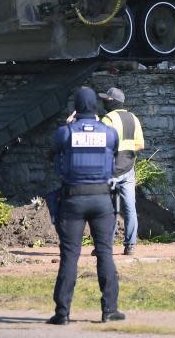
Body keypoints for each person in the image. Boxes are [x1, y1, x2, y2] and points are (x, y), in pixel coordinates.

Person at [47, 87, 125, 324]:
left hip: (73, 199)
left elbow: (52, 154)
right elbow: (114, 157)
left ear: (76, 107)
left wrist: (68, 123)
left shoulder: (66, 132)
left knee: (70, 256)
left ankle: (62, 313)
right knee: (105, 253)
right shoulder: (110, 133)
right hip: (102, 200)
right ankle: (109, 310)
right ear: (95, 106)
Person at [100, 87, 145, 256]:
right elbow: (140, 145)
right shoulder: (133, 118)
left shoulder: (108, 119)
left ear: (112, 102)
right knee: (130, 208)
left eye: (106, 99)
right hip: (128, 168)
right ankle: (130, 246)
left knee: (109, 209)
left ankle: (105, 246)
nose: (104, 101)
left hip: (111, 169)